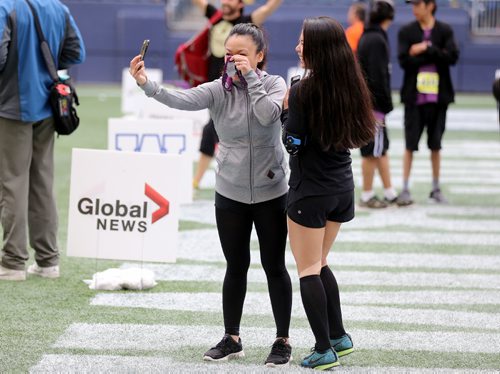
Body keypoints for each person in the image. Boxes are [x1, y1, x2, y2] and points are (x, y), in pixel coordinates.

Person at [130, 23, 293, 367]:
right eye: (229, 53)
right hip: (229, 192)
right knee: (236, 266)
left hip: (271, 190)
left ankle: (282, 339)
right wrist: (146, 84)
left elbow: (268, 116)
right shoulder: (218, 89)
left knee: (275, 266)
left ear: (260, 55)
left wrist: (251, 79)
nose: (234, 60)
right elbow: (181, 99)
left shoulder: (276, 85)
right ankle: (231, 337)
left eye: (243, 54)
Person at [281, 17, 376, 369]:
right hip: (341, 188)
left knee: (307, 269)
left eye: (303, 42)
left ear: (317, 48)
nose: (297, 47)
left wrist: (287, 109)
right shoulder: (351, 84)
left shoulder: (303, 88)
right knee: (320, 263)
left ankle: (323, 348)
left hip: (310, 190)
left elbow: (292, 143)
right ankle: (339, 336)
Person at [0, 0, 85, 281]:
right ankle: (48, 261)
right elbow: (76, 52)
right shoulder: (58, 8)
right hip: (50, 106)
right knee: (41, 181)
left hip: (11, 106)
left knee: (12, 182)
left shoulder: (5, 6)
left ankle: (13, 262)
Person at [190, 0, 283, 189]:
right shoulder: (215, 17)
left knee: (213, 130)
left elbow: (267, 9)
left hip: (245, 87)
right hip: (220, 88)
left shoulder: (248, 21)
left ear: (241, 3)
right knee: (212, 130)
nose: (224, 1)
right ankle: (198, 180)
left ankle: (199, 180)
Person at [397, 0, 459, 205]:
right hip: (414, 98)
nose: (414, 9)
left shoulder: (445, 30)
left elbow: (452, 57)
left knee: (436, 144)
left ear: (430, 5)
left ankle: (436, 187)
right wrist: (432, 54)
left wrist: (425, 49)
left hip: (438, 98)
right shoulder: (407, 31)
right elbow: (404, 60)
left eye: (418, 4)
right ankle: (405, 188)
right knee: (409, 144)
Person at [357, 0, 398, 208]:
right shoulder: (376, 40)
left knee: (380, 148)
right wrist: (384, 104)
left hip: (370, 103)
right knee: (372, 149)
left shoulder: (369, 36)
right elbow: (378, 76)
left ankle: (390, 192)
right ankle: (366, 194)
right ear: (388, 18)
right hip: (374, 105)